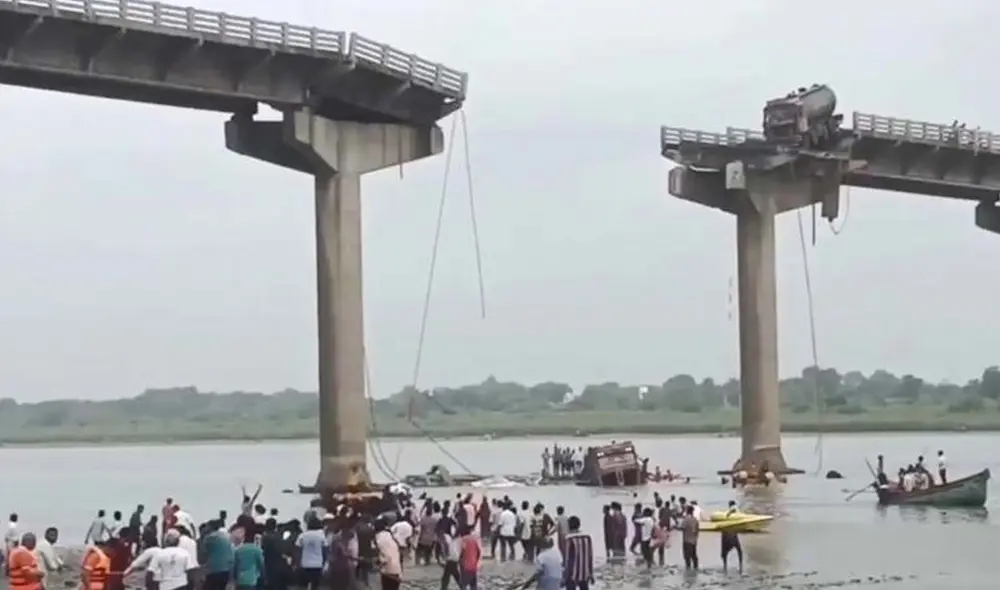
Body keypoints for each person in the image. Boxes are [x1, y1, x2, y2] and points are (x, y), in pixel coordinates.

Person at [294, 519, 326, 590]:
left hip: (305, 564)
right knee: (315, 586)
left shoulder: (302, 536)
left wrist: (297, 564)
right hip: (317, 564)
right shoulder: (321, 536)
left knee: (303, 586)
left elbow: (298, 550)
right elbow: (325, 551)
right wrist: (324, 564)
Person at [562, 517, 593, 590]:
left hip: (572, 574)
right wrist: (591, 573)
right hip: (585, 572)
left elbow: (567, 559)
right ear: (579, 525)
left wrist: (565, 576)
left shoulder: (569, 539)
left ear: (569, 526)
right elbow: (590, 556)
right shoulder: (587, 537)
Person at [374, 520, 402, 590]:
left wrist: (378, 563)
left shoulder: (380, 539)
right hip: (396, 568)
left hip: (388, 571)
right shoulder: (390, 536)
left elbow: (385, 557)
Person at [720, 501, 742, 573]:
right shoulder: (735, 510)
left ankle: (725, 566)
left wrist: (728, 514)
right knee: (739, 551)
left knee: (725, 551)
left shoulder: (732, 509)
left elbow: (733, 509)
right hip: (733, 534)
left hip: (728, 533)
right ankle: (740, 566)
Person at [680, 505, 699, 570]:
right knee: (694, 556)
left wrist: (674, 527)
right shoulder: (695, 519)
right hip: (694, 541)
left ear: (687, 511)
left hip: (687, 541)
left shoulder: (686, 519)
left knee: (687, 557)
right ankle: (696, 569)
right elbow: (697, 530)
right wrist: (696, 538)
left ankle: (688, 570)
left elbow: (682, 527)